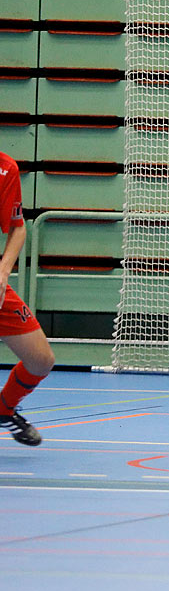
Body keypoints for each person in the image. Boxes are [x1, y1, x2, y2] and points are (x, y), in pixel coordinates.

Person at [0, 150, 53, 447]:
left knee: (40, 360)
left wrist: (3, 271)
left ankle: (3, 408)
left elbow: (17, 227)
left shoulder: (5, 169)